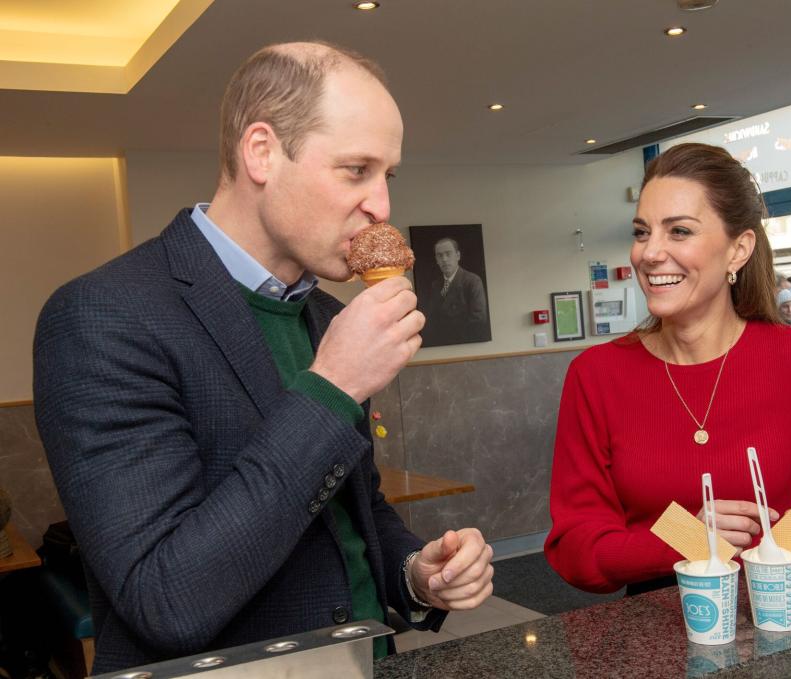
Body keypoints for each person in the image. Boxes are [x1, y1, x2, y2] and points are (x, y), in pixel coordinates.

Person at [33, 41, 493, 674]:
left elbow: (350, 515)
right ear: (262, 152)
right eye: (356, 169)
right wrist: (331, 387)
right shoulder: (102, 316)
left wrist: (415, 573)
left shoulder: (329, 319)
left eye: (388, 176)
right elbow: (166, 597)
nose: (382, 207)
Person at [544, 143, 791, 595]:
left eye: (679, 231)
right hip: (652, 634)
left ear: (738, 249)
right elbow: (575, 547)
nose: (649, 253)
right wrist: (688, 540)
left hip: (777, 622)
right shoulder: (597, 374)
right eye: (642, 232)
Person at [421, 237, 491, 346]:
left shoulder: (472, 281)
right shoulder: (435, 285)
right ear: (436, 260)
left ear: (458, 256)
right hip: (439, 345)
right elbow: (431, 318)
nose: (444, 259)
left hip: (464, 344)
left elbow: (479, 319)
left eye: (448, 254)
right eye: (440, 255)